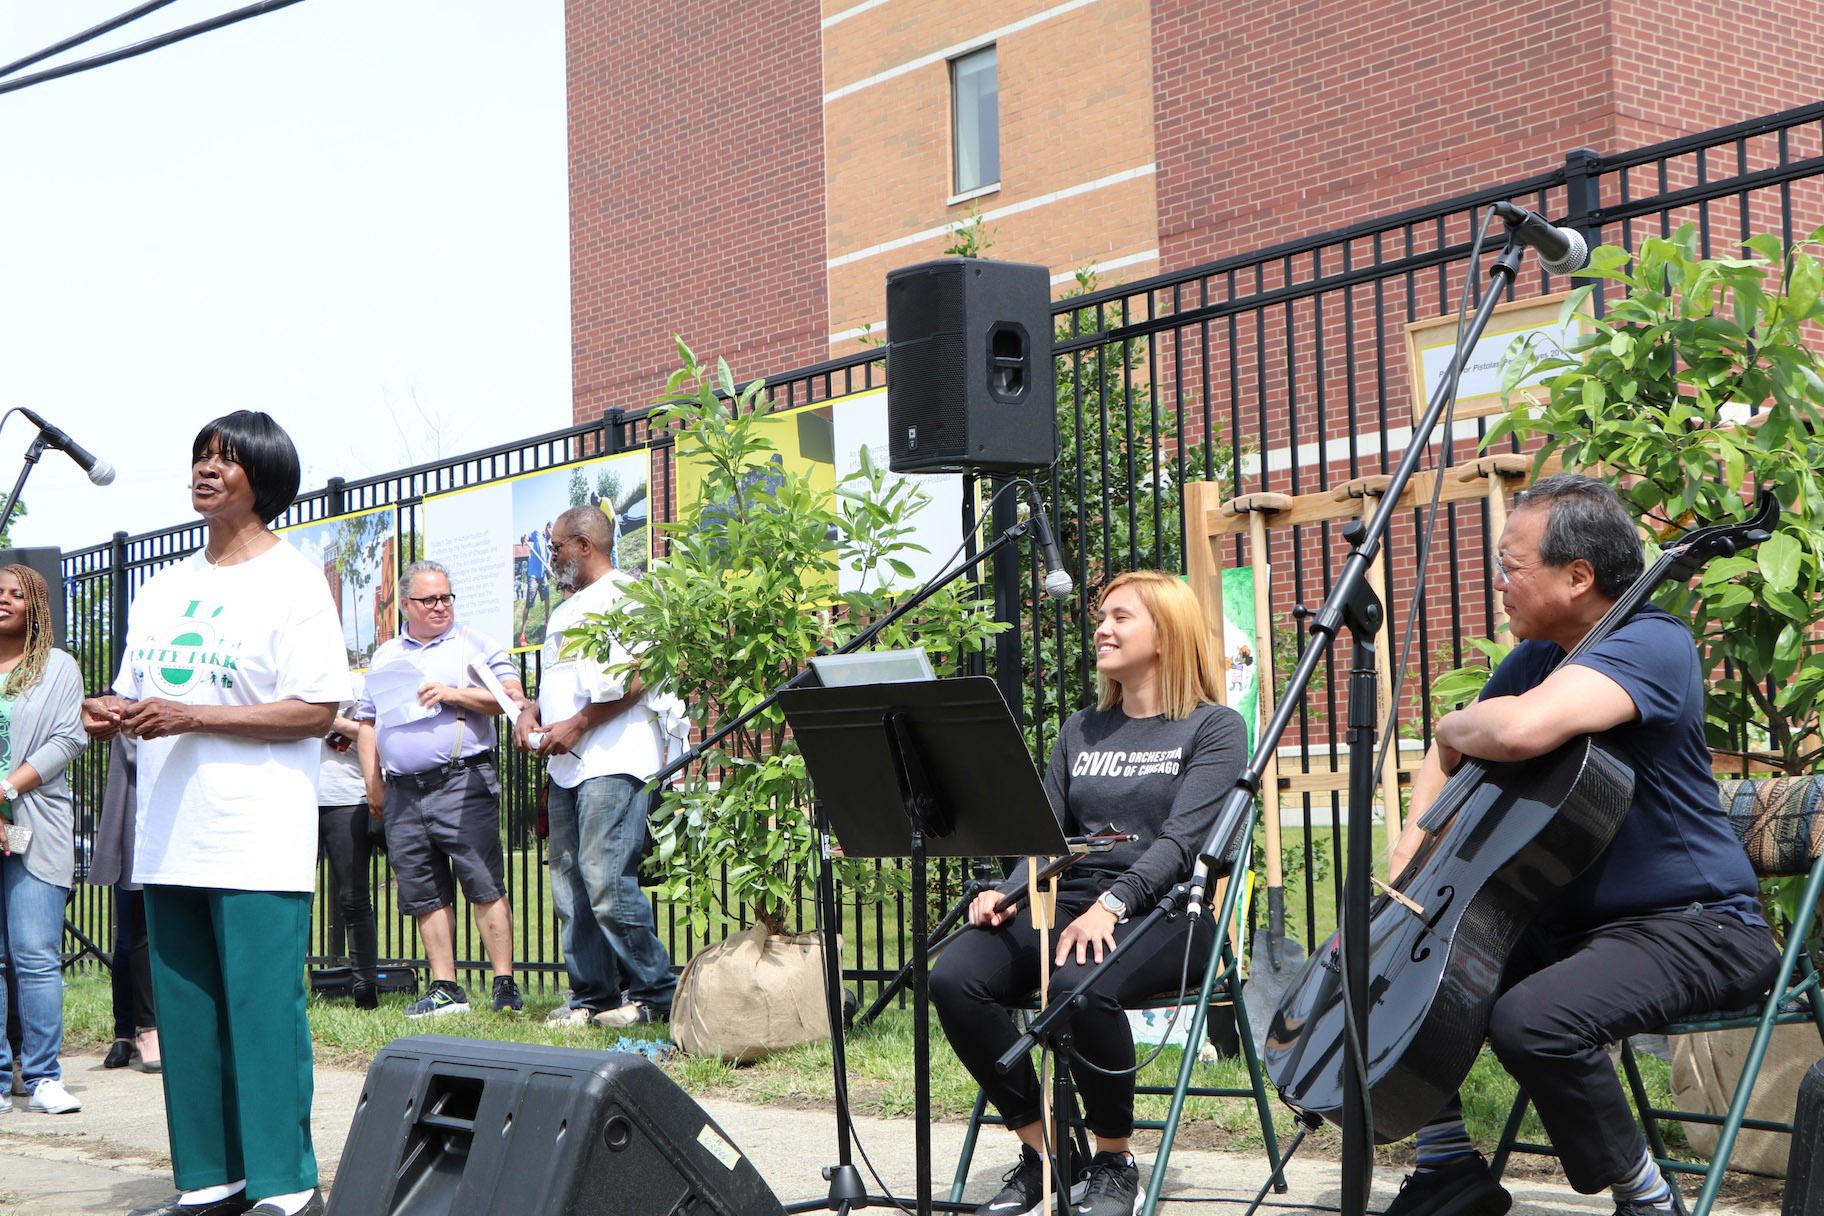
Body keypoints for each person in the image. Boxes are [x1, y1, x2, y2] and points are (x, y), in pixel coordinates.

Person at [1380, 474, 1780, 1216]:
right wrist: (1413, 842)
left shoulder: (1653, 643)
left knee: (1534, 1021)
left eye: (1511, 566)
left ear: (1577, 576)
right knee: (1387, 977)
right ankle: (1446, 1168)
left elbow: (1514, 731)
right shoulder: (1537, 661)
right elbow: (1451, 759)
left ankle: (1648, 1198)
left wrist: (1447, 723)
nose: (1499, 583)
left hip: (1696, 925)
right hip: (1574, 927)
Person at [84, 409, 351, 1216]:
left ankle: (285, 1185)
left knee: (261, 1013)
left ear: (263, 479)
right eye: (201, 456)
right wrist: (113, 711)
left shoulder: (295, 580)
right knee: (190, 1019)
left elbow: (316, 708)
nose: (206, 470)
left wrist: (192, 716)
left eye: (226, 460)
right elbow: (143, 693)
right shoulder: (165, 586)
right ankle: (209, 1180)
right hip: (170, 834)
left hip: (253, 834)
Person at [929, 570, 1247, 1216]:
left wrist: (1115, 902)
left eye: (1121, 617)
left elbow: (1182, 844)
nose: (1101, 628)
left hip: (1168, 909)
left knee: (1077, 982)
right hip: (1070, 901)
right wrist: (1010, 892)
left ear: (1167, 634)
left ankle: (1112, 1159)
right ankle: (1048, 1152)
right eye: (1101, 616)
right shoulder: (1081, 730)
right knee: (955, 975)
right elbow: (1045, 837)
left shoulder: (1214, 729)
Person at [513, 505, 681, 1028]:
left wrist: (578, 724)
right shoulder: (564, 611)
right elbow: (558, 685)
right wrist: (531, 714)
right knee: (569, 886)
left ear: (584, 545)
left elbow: (638, 679)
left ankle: (657, 993)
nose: (552, 555)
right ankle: (594, 998)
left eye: (557, 545)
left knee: (606, 879)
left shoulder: (628, 595)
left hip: (614, 759)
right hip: (566, 765)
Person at [354, 560, 526, 1018]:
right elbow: (366, 723)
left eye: (446, 597)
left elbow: (513, 697)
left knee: (483, 881)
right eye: (429, 599)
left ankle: (505, 985)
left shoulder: (473, 644)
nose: (440, 606)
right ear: (406, 604)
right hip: (403, 791)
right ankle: (445, 987)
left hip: (462, 779)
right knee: (423, 889)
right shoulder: (387, 654)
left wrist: (454, 694)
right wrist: (374, 782)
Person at [0, 562, 88, 1115]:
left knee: (33, 953)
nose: (4, 600)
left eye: (15, 594)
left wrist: (5, 787)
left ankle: (43, 1076)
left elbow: (66, 739)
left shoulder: (56, 667)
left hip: (33, 821)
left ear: (36, 607)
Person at [317, 676, 378, 1009]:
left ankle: (365, 985)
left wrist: (335, 722)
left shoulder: (359, 683)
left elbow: (377, 734)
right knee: (295, 899)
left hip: (347, 798)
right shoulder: (292, 682)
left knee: (353, 896)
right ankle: (287, 983)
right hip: (297, 797)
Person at [517, 522, 552, 646]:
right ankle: (522, 635)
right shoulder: (537, 534)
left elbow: (548, 561)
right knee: (529, 603)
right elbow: (526, 537)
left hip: (543, 576)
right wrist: (524, 538)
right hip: (533, 575)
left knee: (547, 598)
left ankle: (547, 622)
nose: (552, 534)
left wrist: (548, 567)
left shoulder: (550, 545)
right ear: (547, 528)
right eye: (551, 531)